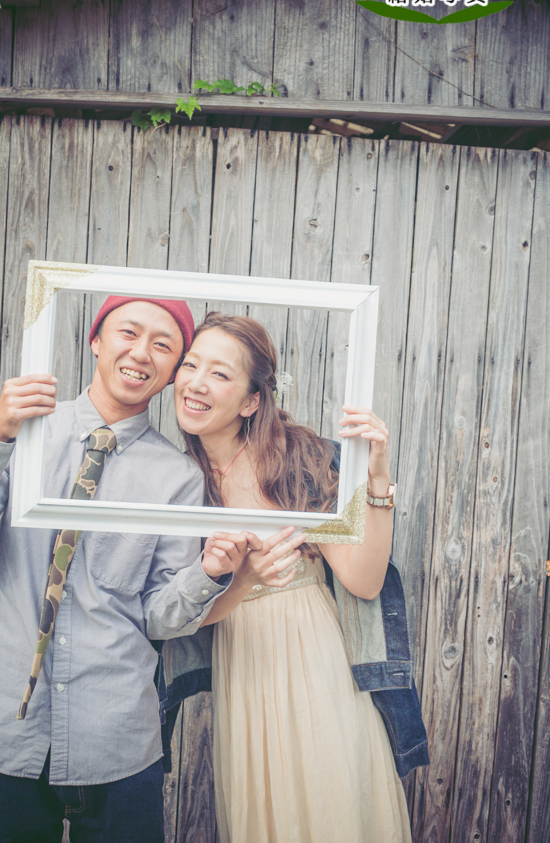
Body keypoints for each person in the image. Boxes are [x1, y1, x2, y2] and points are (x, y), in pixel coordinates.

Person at [0, 295, 248, 843]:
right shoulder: (22, 433)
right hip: (3, 732)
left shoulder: (178, 478)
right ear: (95, 340)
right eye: (128, 333)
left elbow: (158, 617)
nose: (142, 353)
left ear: (172, 371)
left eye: (164, 345)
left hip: (117, 744)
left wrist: (206, 574)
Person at [169, 311, 429, 843]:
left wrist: (377, 480)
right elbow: (185, 617)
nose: (196, 382)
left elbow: (363, 581)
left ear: (251, 401)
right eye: (190, 365)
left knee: (330, 804)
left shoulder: (293, 458)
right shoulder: (172, 480)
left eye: (220, 373)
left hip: (315, 658)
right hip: (241, 667)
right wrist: (242, 582)